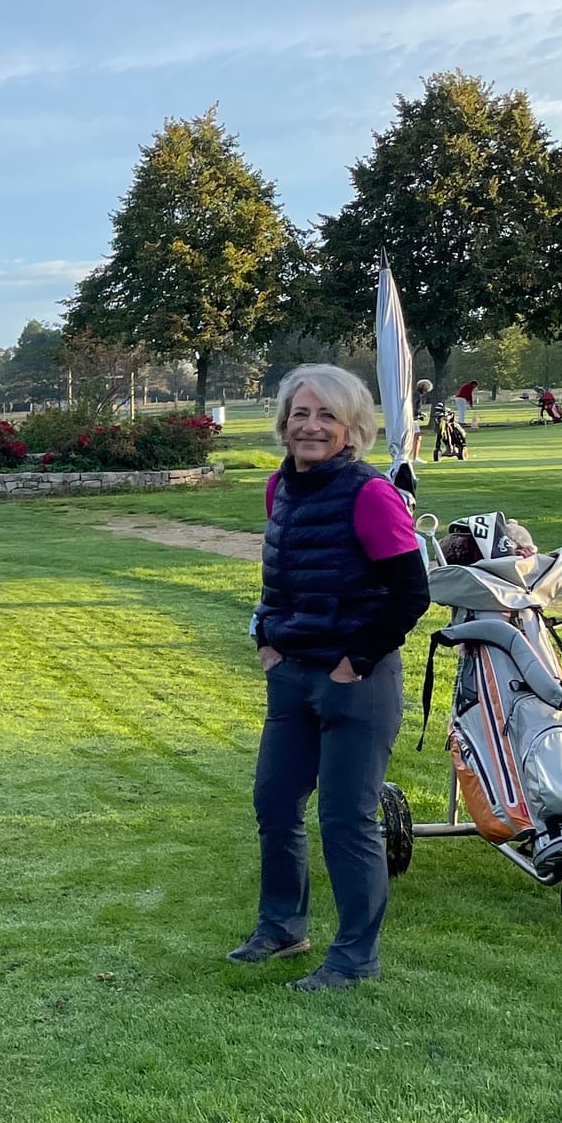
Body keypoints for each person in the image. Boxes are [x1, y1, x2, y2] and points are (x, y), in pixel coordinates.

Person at [230, 365, 431, 990]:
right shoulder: (278, 488)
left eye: (326, 417)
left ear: (352, 430)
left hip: (355, 684)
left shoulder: (371, 495)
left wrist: (354, 662)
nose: (310, 427)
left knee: (346, 820)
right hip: (290, 676)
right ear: (284, 423)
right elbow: (281, 576)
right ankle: (283, 927)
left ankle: (353, 958)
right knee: (275, 804)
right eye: (300, 414)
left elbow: (410, 593)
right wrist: (266, 641)